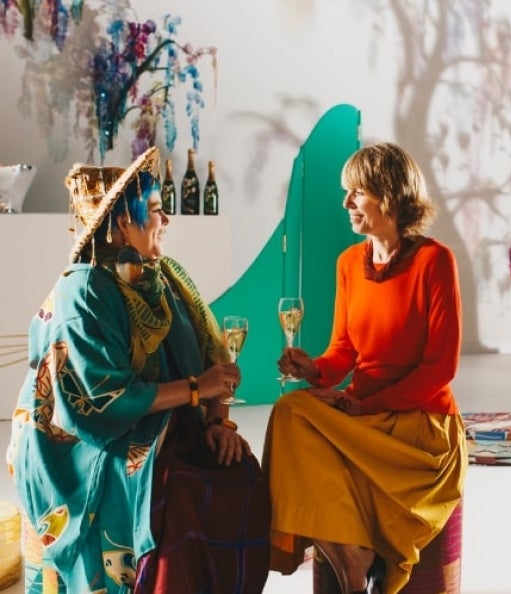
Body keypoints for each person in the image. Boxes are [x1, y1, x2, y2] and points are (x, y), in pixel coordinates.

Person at [5, 147, 270, 593]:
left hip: (161, 424)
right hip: (83, 444)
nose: (166, 219)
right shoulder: (83, 289)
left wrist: (219, 424)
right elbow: (100, 401)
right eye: (155, 209)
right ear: (121, 222)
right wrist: (196, 390)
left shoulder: (165, 276)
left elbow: (213, 358)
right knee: (176, 493)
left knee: (238, 471)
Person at [263, 142, 467, 594]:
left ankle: (357, 558)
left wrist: (364, 405)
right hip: (364, 414)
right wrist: (313, 369)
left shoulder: (435, 261)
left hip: (419, 424)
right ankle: (352, 561)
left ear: (389, 194)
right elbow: (343, 351)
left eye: (356, 192)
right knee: (289, 412)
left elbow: (440, 369)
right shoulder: (348, 264)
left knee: (300, 421)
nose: (346, 203)